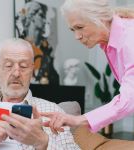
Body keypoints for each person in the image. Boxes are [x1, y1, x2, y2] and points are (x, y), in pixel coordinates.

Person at [41, 0, 134, 134]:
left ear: (100, 18)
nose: (77, 37)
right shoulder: (111, 42)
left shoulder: (129, 38)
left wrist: (78, 120)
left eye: (79, 27)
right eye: (73, 30)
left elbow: (129, 99)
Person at [0, 38, 80, 149]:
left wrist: (43, 142)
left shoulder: (52, 111)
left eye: (23, 66)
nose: (16, 73)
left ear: (32, 71)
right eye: (9, 65)